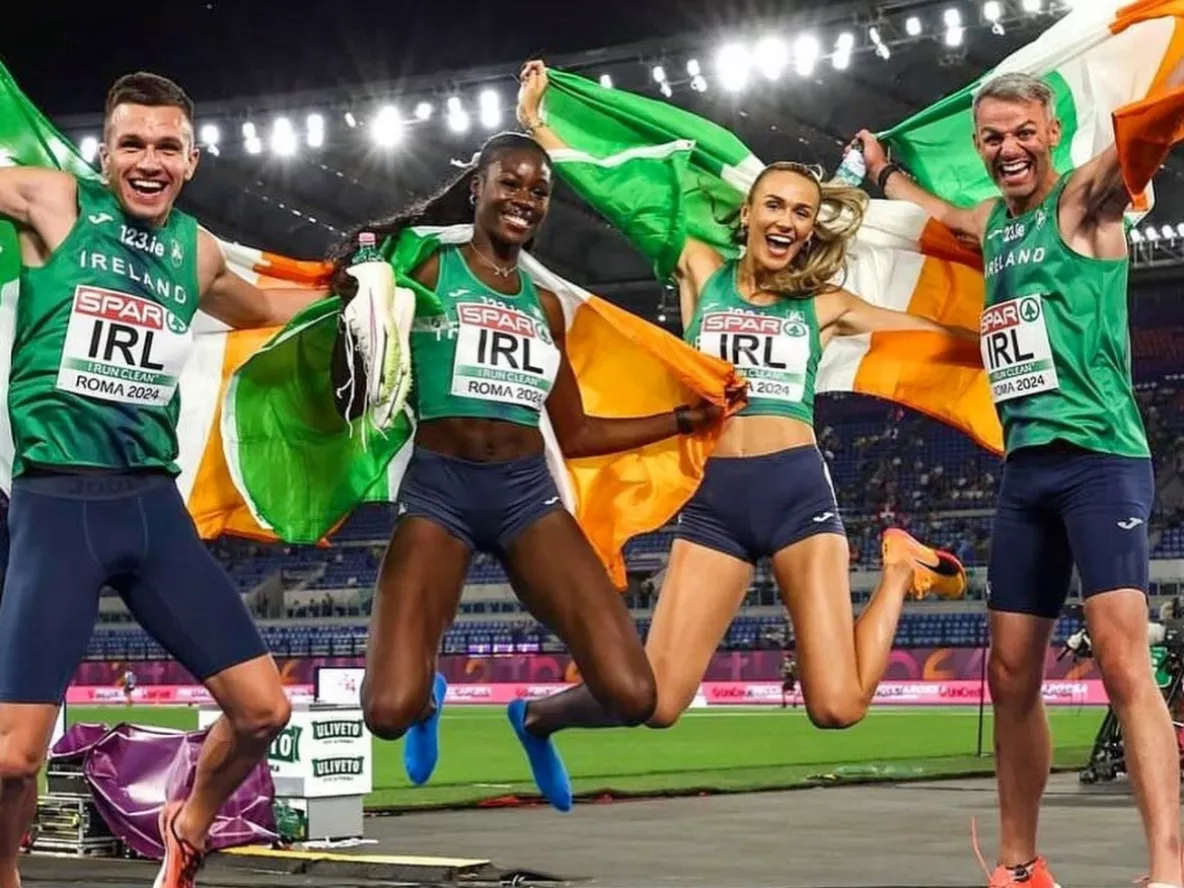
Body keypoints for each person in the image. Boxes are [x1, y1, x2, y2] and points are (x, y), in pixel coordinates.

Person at [508, 60, 970, 812]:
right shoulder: (700, 272)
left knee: (837, 707)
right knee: (655, 703)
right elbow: (621, 196)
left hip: (797, 500)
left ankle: (897, 566)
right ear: (748, 214)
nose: (788, 221)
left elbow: (934, 336)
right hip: (717, 502)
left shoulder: (828, 306)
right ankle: (535, 717)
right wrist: (541, 128)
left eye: (801, 212)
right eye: (775, 207)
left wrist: (1012, 331)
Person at [856, 68, 1184, 888]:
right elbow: (942, 215)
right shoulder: (994, 226)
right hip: (1026, 473)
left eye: (1023, 132)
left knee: (1121, 662)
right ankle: (1019, 862)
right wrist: (882, 172)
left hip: (1102, 462)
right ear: (978, 145)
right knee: (1008, 674)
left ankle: (1168, 871)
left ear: (1051, 129)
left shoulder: (1084, 202)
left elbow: (1142, 140)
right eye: (993, 137)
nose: (1008, 149)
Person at [0, 72, 322, 888]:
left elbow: (261, 312)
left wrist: (361, 292)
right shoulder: (54, 204)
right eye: (132, 145)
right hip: (55, 505)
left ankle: (188, 825)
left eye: (167, 147)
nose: (150, 160)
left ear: (192, 161)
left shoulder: (196, 250)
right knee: (11, 760)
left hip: (150, 506)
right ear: (104, 155)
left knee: (263, 711)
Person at [329, 130, 728, 789]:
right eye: (509, 183)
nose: (524, 198)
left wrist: (684, 419)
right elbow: (359, 340)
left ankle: (537, 718)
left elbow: (573, 434)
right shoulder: (427, 267)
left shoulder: (544, 306)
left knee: (634, 694)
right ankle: (428, 694)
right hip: (438, 495)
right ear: (477, 187)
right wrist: (359, 293)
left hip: (524, 497)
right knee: (387, 710)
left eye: (538, 190)